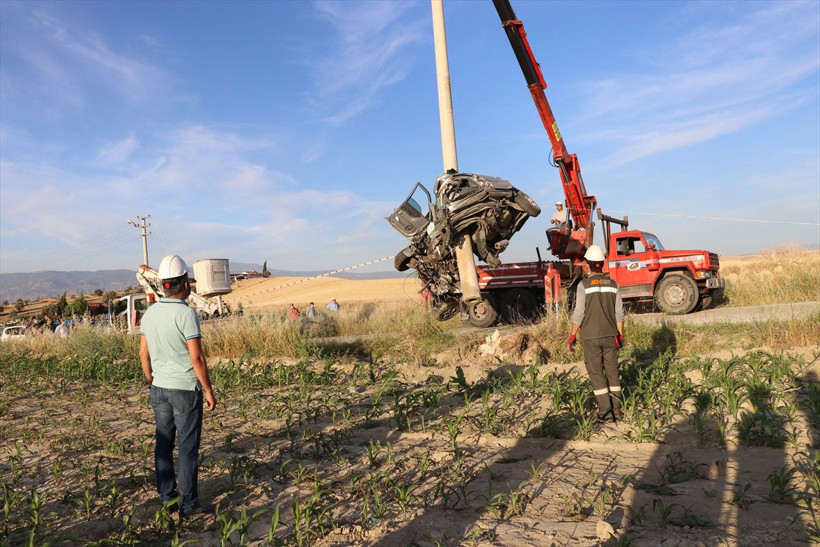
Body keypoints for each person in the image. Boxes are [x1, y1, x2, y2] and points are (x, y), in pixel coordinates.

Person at [139, 254, 216, 519]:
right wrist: (207, 389)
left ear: (163, 284)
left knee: (163, 445)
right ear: (184, 282)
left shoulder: (149, 314)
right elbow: (197, 358)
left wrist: (152, 380)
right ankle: (189, 504)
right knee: (186, 449)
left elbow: (143, 355)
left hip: (159, 389)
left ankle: (168, 498)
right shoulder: (186, 314)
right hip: (185, 390)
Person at [568, 245, 625, 423]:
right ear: (602, 263)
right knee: (613, 372)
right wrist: (620, 335)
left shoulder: (583, 285)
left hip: (590, 337)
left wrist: (572, 335)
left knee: (596, 374)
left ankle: (605, 412)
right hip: (611, 335)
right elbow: (619, 313)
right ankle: (617, 411)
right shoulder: (614, 285)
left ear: (588, 264)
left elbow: (579, 313)